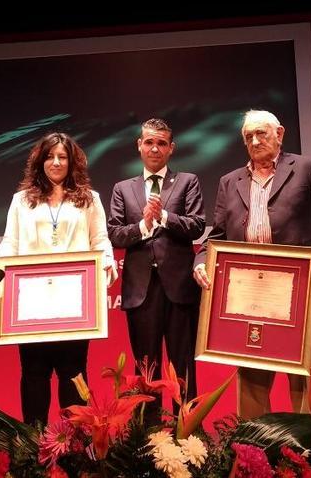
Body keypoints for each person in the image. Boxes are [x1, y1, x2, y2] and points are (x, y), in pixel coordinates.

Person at [192, 110, 311, 419]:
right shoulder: (229, 181)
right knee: (251, 378)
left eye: (261, 134)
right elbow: (218, 237)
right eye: (248, 136)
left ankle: (307, 456)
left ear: (279, 133)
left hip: (298, 292)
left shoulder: (307, 168)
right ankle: (254, 453)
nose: (254, 141)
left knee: (304, 376)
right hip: (247, 295)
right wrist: (201, 261)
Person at [0, 132, 117, 426]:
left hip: (74, 306)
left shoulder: (89, 199)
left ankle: (76, 448)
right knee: (34, 374)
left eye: (62, 157)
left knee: (74, 373)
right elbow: (10, 243)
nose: (56, 162)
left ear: (72, 162)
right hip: (33, 306)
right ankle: (34, 447)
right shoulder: (21, 201)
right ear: (39, 161)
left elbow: (100, 239)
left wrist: (106, 260)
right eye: (50, 156)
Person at [107, 118, 205, 423]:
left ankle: (187, 437)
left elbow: (197, 226)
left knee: (183, 366)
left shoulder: (188, 181)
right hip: (141, 290)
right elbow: (114, 233)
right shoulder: (123, 188)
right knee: (145, 368)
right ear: (139, 145)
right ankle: (148, 438)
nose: (155, 148)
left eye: (161, 143)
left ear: (171, 148)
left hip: (179, 289)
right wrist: (143, 226)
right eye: (149, 141)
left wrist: (163, 216)